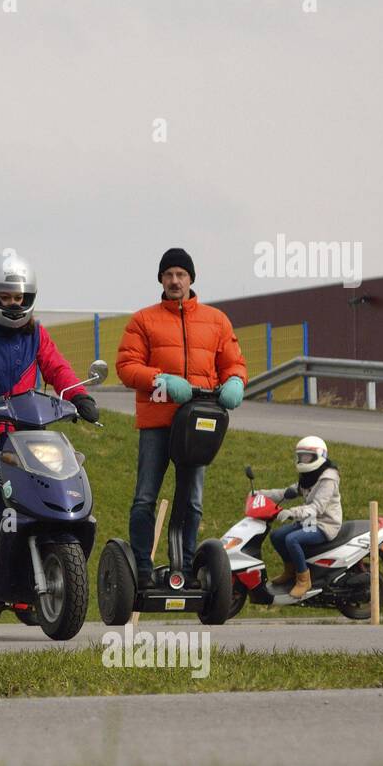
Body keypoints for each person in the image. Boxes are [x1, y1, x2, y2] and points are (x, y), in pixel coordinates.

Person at [0, 249, 99, 578]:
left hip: (27, 434)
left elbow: (58, 369)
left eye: (19, 297)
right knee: (3, 465)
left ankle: (54, 535)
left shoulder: (36, 334)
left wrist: (80, 396)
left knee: (66, 463)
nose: (13, 304)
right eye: (5, 297)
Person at [115, 247, 247, 588]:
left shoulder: (216, 320)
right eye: (169, 274)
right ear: (161, 278)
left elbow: (233, 363)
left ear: (191, 279)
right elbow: (127, 367)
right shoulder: (143, 320)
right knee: (145, 496)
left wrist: (235, 382)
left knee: (192, 500)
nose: (175, 281)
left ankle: (187, 569)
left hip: (199, 423)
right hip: (158, 422)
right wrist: (160, 379)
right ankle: (142, 569)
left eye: (181, 275)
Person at [258, 436, 343, 599]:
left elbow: (317, 507)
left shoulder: (328, 478)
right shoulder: (309, 475)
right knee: (276, 536)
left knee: (292, 539)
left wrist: (292, 512)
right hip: (310, 521)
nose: (303, 460)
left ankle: (304, 579)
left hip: (325, 524)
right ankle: (290, 571)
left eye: (307, 456)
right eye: (301, 456)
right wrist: (263, 494)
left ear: (319, 455)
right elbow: (287, 492)